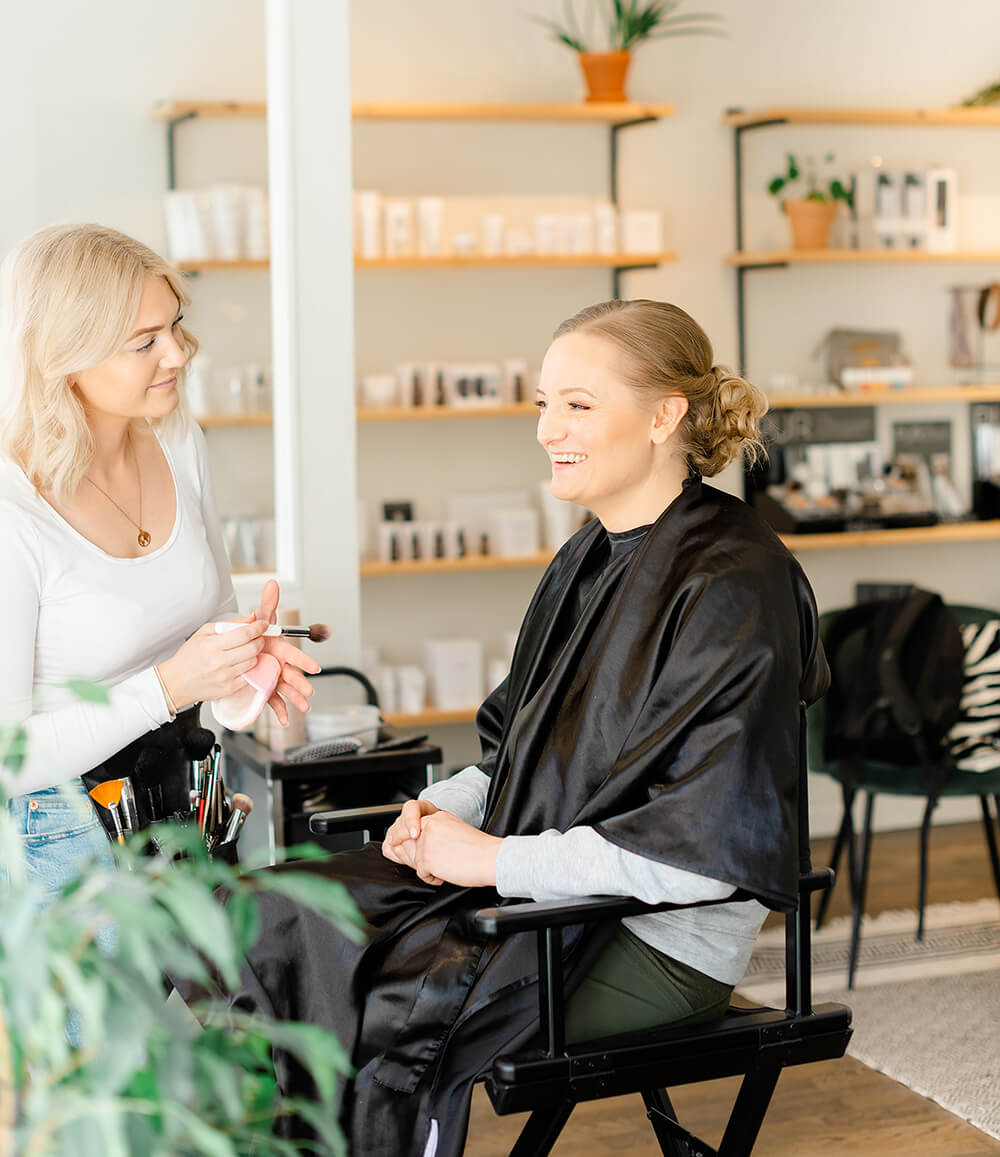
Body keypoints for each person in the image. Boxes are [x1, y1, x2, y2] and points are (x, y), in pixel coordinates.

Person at [236, 299, 829, 1157]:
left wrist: (491, 859)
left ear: (665, 415)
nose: (550, 428)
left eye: (578, 405)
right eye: (543, 403)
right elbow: (519, 747)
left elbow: (697, 852)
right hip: (543, 890)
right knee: (280, 914)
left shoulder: (735, 584)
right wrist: (437, 810)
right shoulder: (588, 556)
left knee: (375, 996)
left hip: (651, 939)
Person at [0, 222, 320, 898]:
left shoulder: (179, 441)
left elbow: (211, 630)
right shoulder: (13, 508)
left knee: (224, 1004)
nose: (176, 354)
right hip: (66, 842)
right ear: (65, 357)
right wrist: (170, 685)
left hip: (187, 800)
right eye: (144, 342)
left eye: (175, 326)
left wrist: (247, 665)